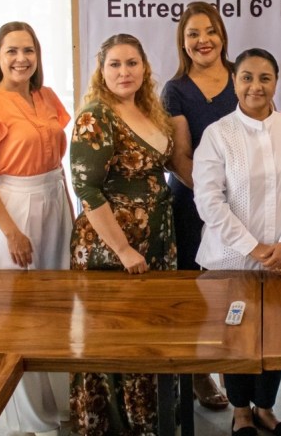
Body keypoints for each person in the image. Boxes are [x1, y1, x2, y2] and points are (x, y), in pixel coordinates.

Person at [193, 48, 281, 436]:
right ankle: (241, 412)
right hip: (229, 260)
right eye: (247, 77)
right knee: (235, 338)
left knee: (277, 338)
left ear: (276, 82)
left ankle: (265, 409)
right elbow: (209, 200)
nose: (256, 86)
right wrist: (253, 246)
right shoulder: (218, 134)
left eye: (265, 78)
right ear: (234, 82)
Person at [70, 34, 189, 434]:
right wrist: (122, 249)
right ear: (102, 71)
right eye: (115, 64)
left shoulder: (149, 110)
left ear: (144, 68)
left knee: (149, 337)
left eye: (132, 63)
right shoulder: (95, 116)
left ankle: (147, 421)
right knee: (113, 341)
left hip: (156, 239)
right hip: (111, 248)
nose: (125, 72)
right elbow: (86, 189)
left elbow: (168, 165)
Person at [0, 21, 72, 436]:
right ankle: (31, 415)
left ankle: (61, 401)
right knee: (19, 310)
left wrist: (71, 212)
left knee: (57, 305)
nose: (21, 59)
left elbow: (58, 163)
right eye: (12, 51)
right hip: (16, 206)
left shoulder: (47, 97)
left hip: (56, 200)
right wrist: (10, 232)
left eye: (28, 50)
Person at [161, 1, 236, 410]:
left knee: (234, 293)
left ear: (222, 35)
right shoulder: (175, 90)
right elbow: (179, 155)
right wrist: (213, 201)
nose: (203, 40)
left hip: (241, 205)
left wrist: (234, 201)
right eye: (193, 34)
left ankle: (237, 378)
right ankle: (198, 375)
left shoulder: (243, 74)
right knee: (194, 294)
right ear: (183, 41)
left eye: (210, 31)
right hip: (191, 205)